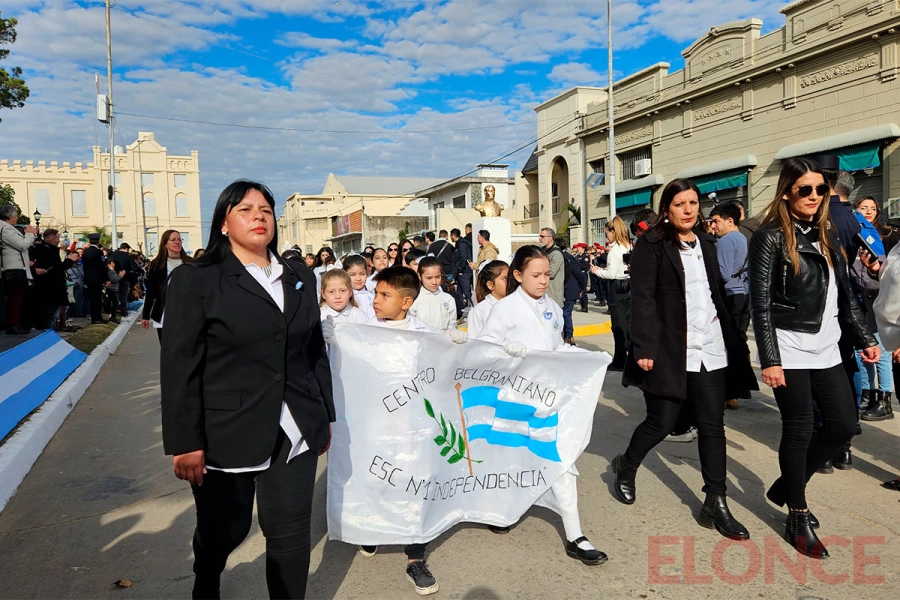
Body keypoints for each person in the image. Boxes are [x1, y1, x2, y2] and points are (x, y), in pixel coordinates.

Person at [161, 180, 333, 600]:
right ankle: (207, 576)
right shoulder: (195, 281)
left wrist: (325, 415)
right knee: (227, 529)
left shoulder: (297, 275)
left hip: (294, 428)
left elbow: (313, 348)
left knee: (290, 531)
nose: (259, 215)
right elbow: (180, 366)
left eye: (265, 209)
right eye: (245, 209)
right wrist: (185, 441)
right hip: (227, 430)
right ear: (223, 223)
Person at [613, 179, 757, 544]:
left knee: (713, 425)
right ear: (667, 208)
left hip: (710, 347)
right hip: (670, 348)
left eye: (693, 202)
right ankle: (627, 465)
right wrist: (644, 347)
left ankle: (716, 499)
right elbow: (642, 299)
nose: (689, 209)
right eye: (680, 203)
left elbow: (715, 293)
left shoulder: (708, 243)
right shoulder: (652, 245)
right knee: (662, 421)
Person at [749, 158, 879, 559]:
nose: (813, 196)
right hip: (788, 347)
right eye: (804, 189)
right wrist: (769, 359)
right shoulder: (770, 237)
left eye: (820, 189)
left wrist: (863, 338)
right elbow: (761, 304)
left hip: (827, 346)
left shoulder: (826, 234)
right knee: (800, 428)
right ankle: (798, 512)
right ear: (788, 190)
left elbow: (845, 296)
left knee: (843, 425)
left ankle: (787, 485)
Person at [328, 265, 465, 595]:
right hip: (371, 426)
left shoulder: (423, 335)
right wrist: (333, 342)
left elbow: (446, 376)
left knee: (414, 486)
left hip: (411, 429)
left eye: (384, 295)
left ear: (406, 302)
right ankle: (371, 530)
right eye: (375, 293)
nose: (375, 300)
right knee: (373, 479)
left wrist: (460, 346)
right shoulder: (360, 330)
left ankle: (415, 557)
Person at [476, 245, 607, 566]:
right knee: (510, 459)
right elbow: (485, 351)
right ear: (518, 275)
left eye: (547, 274)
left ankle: (575, 535)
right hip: (514, 400)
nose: (544, 281)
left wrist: (585, 358)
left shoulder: (551, 306)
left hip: (548, 400)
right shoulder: (504, 309)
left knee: (559, 461)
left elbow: (557, 347)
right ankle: (503, 510)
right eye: (536, 275)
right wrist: (506, 350)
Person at [852, 196, 899, 423]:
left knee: (880, 355)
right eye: (863, 208)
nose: (868, 212)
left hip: (884, 314)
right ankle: (868, 395)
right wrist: (874, 268)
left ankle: (884, 399)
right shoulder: (854, 235)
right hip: (862, 304)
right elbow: (887, 275)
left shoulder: (888, 237)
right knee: (864, 354)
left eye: (872, 208)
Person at [709, 203, 751, 410]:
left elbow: (723, 273)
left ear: (730, 220)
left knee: (727, 345)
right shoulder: (743, 238)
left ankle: (730, 392)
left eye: (716, 221)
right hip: (742, 295)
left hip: (730, 296)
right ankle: (741, 388)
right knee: (740, 342)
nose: (713, 226)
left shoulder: (725, 241)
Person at [591, 217, 632, 370]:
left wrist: (596, 271)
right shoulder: (627, 246)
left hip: (617, 287)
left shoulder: (615, 250)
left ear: (613, 232)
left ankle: (620, 360)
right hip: (627, 286)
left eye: (607, 232)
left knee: (618, 326)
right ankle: (627, 357)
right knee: (626, 324)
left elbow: (611, 274)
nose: (606, 235)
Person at [142, 230, 190, 341]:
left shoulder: (190, 263)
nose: (177, 242)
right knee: (167, 351)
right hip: (164, 313)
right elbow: (151, 292)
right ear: (165, 244)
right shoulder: (157, 265)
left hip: (187, 314)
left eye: (179, 239)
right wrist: (146, 315)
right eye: (173, 240)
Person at [29, 229, 78, 330]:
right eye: (57, 238)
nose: (59, 240)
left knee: (47, 315)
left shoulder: (42, 249)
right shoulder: (48, 251)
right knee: (49, 316)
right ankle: (47, 336)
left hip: (47, 287)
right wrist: (69, 260)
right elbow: (58, 268)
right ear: (51, 239)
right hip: (50, 288)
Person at [0, 206, 37, 334]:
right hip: (13, 268)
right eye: (15, 215)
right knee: (15, 298)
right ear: (9, 217)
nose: (17, 218)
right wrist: (30, 233)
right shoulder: (5, 229)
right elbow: (22, 245)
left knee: (18, 298)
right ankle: (12, 324)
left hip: (18, 267)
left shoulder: (8, 228)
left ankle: (15, 323)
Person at [409, 256, 457, 331]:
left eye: (437, 277)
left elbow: (452, 325)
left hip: (443, 340)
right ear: (420, 276)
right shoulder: (414, 300)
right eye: (429, 278)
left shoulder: (448, 299)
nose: (434, 282)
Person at [465, 260, 508, 339]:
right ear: (490, 285)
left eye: (511, 278)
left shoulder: (515, 306)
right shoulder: (479, 311)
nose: (510, 282)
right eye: (505, 279)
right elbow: (474, 343)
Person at [561, 241, 586, 346]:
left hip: (570, 289)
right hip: (562, 290)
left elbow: (579, 274)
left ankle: (569, 336)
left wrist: (582, 289)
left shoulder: (568, 258)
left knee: (566, 313)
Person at [82, 233, 109, 325]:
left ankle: (94, 318)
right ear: (98, 241)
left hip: (88, 278)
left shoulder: (85, 252)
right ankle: (97, 318)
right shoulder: (98, 252)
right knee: (97, 299)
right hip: (97, 278)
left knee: (92, 299)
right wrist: (106, 279)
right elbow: (101, 267)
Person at [110, 242, 140, 319]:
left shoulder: (112, 255)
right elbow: (135, 268)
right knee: (123, 296)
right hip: (125, 278)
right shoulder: (128, 257)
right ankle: (123, 311)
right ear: (126, 249)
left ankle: (113, 312)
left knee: (113, 296)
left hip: (112, 278)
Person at [539, 227, 565, 307]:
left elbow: (551, 273)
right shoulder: (541, 251)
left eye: (542, 236)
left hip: (553, 295)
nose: (540, 239)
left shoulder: (556, 253)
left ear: (550, 238)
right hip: (542, 294)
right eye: (539, 236)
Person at [450, 228, 473, 306]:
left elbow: (463, 258)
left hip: (463, 272)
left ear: (453, 235)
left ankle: (472, 306)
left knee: (466, 291)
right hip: (460, 272)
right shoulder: (458, 244)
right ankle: (461, 308)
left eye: (451, 236)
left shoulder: (462, 245)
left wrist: (460, 270)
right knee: (459, 292)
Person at [574, 243, 591, 312]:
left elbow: (585, 266)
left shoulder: (585, 257)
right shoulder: (577, 256)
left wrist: (577, 264)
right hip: (578, 274)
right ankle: (582, 305)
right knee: (579, 290)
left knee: (583, 291)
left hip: (583, 274)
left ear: (583, 249)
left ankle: (585, 307)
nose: (578, 249)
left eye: (579, 247)